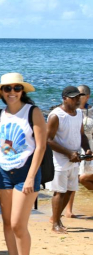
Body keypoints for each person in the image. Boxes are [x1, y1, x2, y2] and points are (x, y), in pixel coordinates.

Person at [0, 73, 46, 255]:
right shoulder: (0, 114)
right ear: (2, 93)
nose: (12, 92)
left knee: (17, 224)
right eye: (7, 89)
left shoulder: (32, 112)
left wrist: (31, 177)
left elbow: (40, 146)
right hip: (4, 171)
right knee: (6, 222)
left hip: (25, 172)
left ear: (22, 90)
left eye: (16, 88)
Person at [47, 86, 90, 234]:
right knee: (59, 191)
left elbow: (81, 135)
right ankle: (55, 224)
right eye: (74, 97)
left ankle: (57, 219)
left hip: (75, 158)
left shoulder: (78, 113)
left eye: (79, 97)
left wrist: (87, 149)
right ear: (64, 98)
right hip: (59, 159)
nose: (77, 100)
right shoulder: (56, 115)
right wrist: (68, 153)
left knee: (70, 190)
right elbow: (48, 140)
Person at [64, 85, 93, 217]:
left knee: (83, 178)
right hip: (74, 146)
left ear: (87, 97)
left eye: (80, 94)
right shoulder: (70, 111)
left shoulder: (91, 111)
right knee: (73, 178)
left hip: (89, 147)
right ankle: (69, 210)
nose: (77, 97)